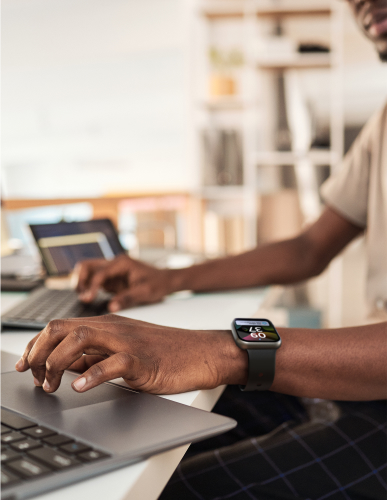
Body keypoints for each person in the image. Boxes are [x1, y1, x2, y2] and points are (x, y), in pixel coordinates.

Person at [16, 0, 387, 498]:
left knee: (170, 487)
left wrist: (220, 349)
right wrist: (169, 279)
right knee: (136, 421)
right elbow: (306, 249)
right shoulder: (381, 126)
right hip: (362, 384)